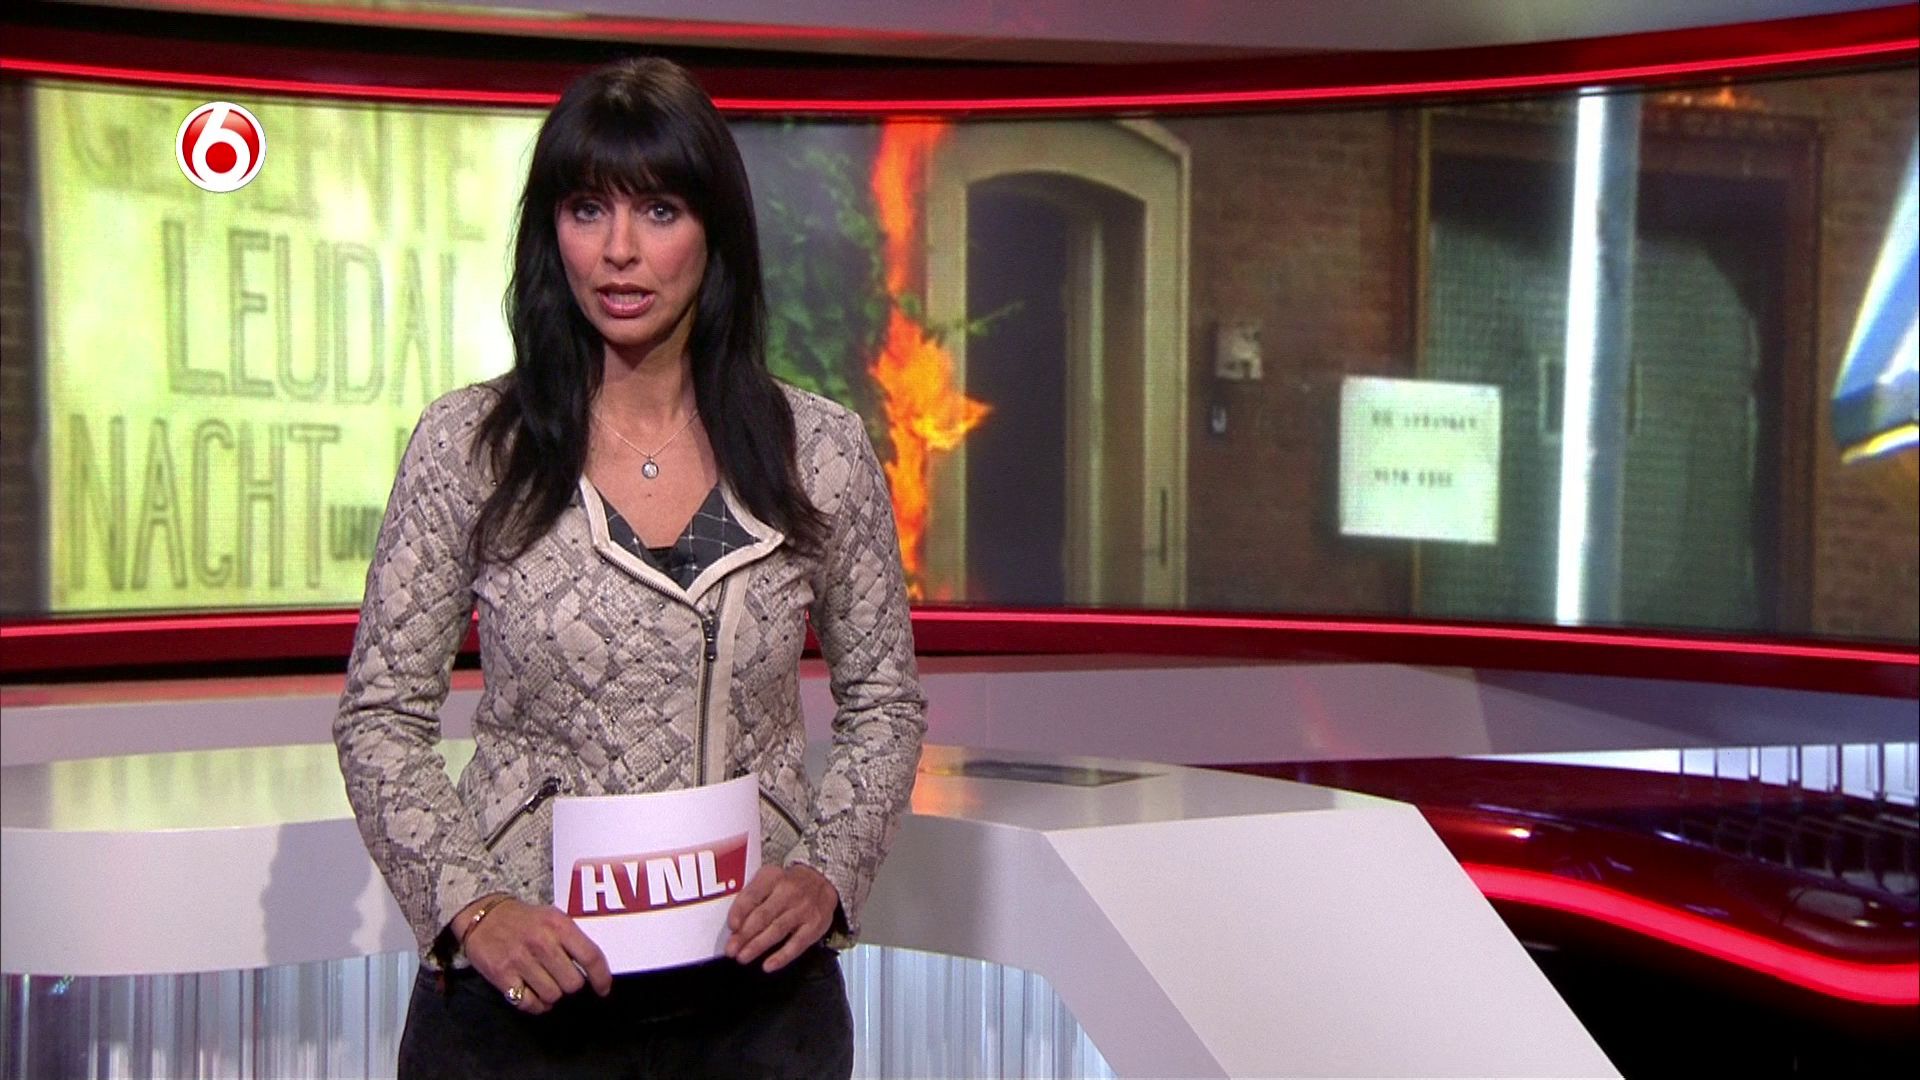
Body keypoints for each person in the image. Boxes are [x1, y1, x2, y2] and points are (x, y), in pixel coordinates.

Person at [333, 56, 926, 1079]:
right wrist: (474, 908)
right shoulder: (471, 447)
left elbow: (885, 703)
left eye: (658, 210)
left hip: (755, 1008)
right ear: (549, 233)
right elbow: (380, 716)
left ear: (714, 232)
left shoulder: (816, 452)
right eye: (586, 209)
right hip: (523, 1006)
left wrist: (828, 872)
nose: (618, 250)